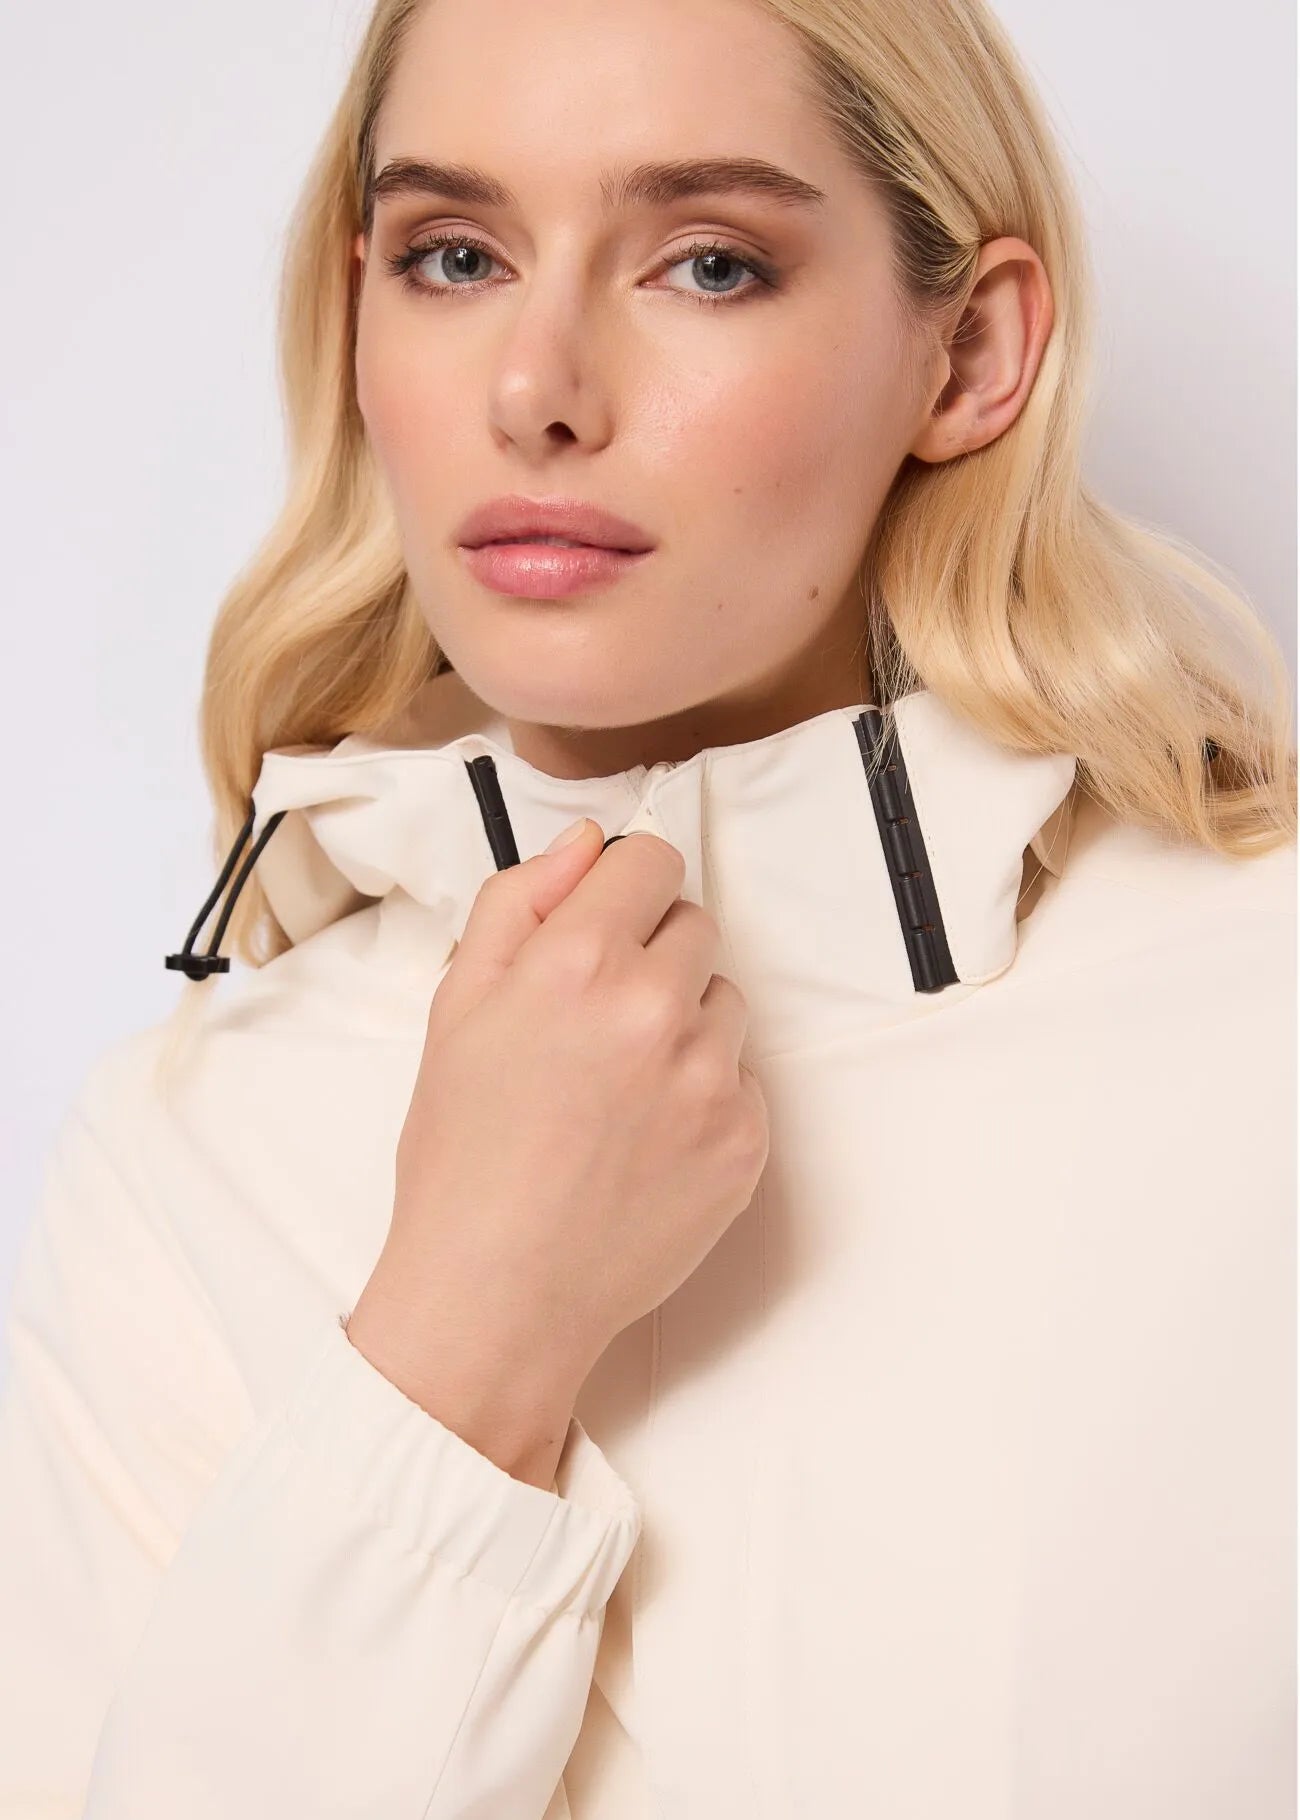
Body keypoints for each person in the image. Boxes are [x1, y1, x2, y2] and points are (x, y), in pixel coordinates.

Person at [0, 0, 1294, 1813]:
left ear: (970, 353)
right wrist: (464, 1337)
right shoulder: (186, 1144)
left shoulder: (1260, 1028)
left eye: (707, 263)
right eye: (455, 256)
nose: (535, 389)